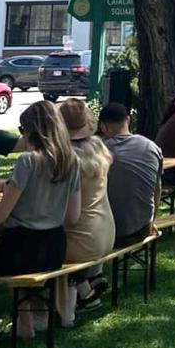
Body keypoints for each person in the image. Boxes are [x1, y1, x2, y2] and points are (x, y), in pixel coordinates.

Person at [0, 100, 81, 348]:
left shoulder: (28, 162)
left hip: (20, 248)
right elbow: (73, 216)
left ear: (32, 131)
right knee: (10, 266)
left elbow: (0, 217)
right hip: (54, 249)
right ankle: (25, 327)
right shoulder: (71, 162)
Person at [56, 98, 115, 323]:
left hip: (82, 240)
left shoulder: (65, 159)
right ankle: (85, 289)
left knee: (46, 241)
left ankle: (67, 301)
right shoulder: (100, 148)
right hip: (107, 231)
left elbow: (69, 216)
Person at [99, 101, 162, 249]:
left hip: (108, 233)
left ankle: (92, 273)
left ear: (103, 127)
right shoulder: (151, 147)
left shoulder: (98, 151)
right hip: (143, 228)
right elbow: (157, 189)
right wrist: (152, 219)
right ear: (128, 119)